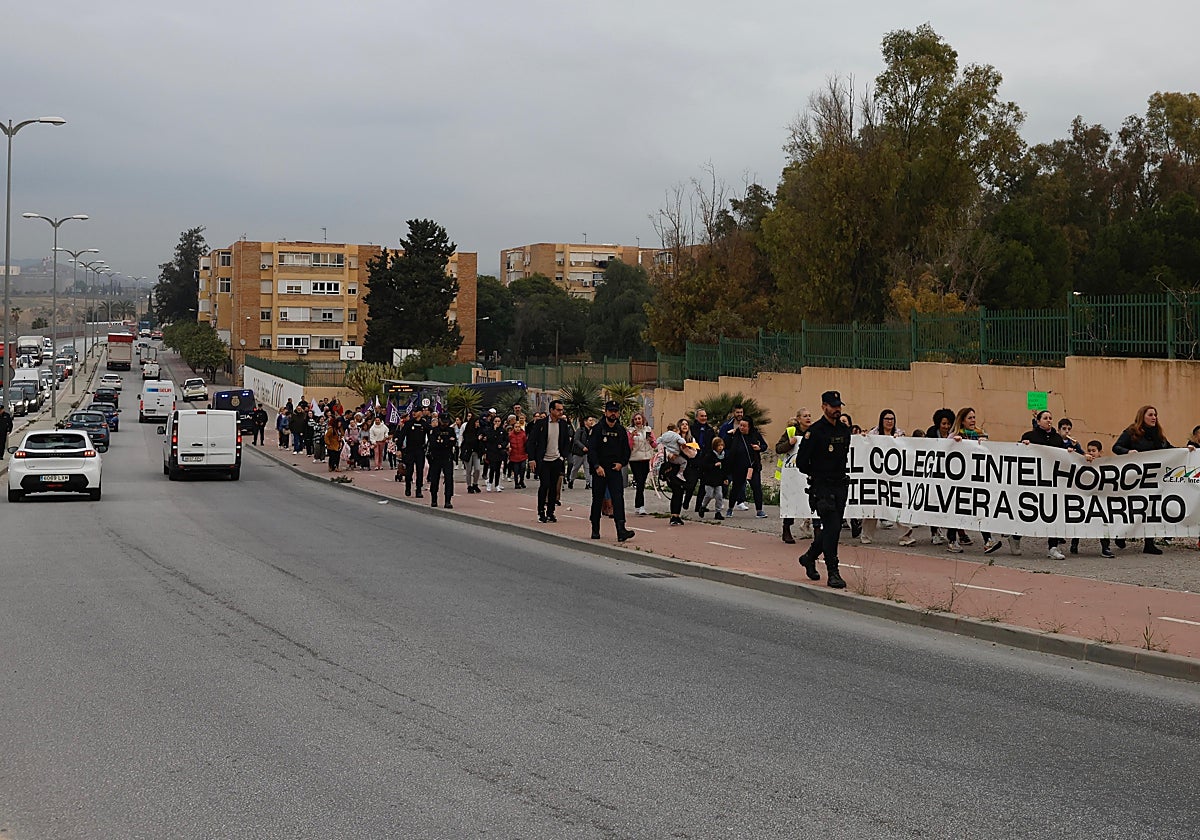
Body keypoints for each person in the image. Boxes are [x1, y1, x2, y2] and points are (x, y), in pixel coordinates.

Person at [1113, 405, 1194, 555]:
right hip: (1135, 480)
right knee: (1133, 508)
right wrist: (1128, 452)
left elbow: (1170, 450)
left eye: (1155, 415)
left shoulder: (1158, 435)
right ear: (1142, 416)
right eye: (1150, 414)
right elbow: (1116, 447)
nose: (1154, 417)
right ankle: (1122, 534)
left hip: (1153, 480)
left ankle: (1149, 543)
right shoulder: (1131, 432)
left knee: (1150, 509)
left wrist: (1185, 450)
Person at [794, 391, 852, 588]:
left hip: (840, 485)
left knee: (831, 528)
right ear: (823, 407)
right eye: (832, 406)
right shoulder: (815, 431)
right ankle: (833, 572)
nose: (836, 409)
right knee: (833, 528)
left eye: (839, 406)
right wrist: (817, 473)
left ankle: (809, 557)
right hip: (822, 486)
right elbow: (801, 462)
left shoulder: (844, 430)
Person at [949, 406, 1001, 555]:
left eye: (974, 417)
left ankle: (988, 540)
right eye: (970, 418)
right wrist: (955, 443)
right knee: (957, 510)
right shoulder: (954, 436)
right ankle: (952, 540)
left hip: (976, 480)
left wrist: (984, 444)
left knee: (980, 507)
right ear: (962, 420)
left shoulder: (981, 435)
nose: (973, 421)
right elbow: (945, 450)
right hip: (959, 481)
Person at [1020, 410, 1067, 559]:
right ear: (1038, 421)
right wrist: (1023, 446)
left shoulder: (1057, 438)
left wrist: (1070, 452)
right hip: (1033, 481)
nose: (1049, 420)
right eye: (1045, 418)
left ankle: (1053, 547)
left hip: (1052, 482)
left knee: (1053, 513)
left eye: (1051, 418)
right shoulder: (1029, 436)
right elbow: (1017, 454)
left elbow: (1063, 456)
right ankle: (1015, 538)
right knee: (1028, 513)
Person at [588, 400, 635, 541]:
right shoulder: (597, 429)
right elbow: (592, 450)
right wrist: (596, 466)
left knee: (618, 499)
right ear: (606, 412)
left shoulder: (620, 430)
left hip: (615, 469)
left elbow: (626, 450)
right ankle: (595, 529)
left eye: (615, 411)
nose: (613, 413)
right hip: (600, 470)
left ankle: (621, 530)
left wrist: (622, 463)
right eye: (611, 411)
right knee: (597, 499)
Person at [1070, 440, 1116, 558]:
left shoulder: (1105, 464)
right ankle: (1074, 544)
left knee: (1104, 522)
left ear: (1100, 452)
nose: (1091, 453)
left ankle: (1105, 547)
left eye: (1094, 451)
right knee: (1081, 520)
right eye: (1089, 450)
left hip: (1100, 498)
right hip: (1085, 497)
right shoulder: (1083, 463)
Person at [528, 399, 572, 523]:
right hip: (543, 461)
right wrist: (532, 459)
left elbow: (566, 443)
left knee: (554, 487)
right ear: (551, 410)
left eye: (562, 410)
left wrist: (562, 457)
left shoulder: (563, 425)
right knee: (545, 485)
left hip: (556, 460)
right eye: (558, 410)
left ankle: (551, 512)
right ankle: (541, 511)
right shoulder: (541, 424)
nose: (560, 412)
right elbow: (531, 442)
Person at [775, 408, 812, 544]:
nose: (808, 418)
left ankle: (817, 528)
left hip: (809, 472)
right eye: (805, 416)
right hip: (792, 474)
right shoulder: (791, 432)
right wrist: (790, 443)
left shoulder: (814, 432)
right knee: (791, 500)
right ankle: (786, 529)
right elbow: (778, 448)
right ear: (798, 419)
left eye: (809, 416)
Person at [724, 417, 768, 518]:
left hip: (753, 466)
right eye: (740, 425)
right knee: (736, 488)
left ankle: (759, 510)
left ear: (749, 427)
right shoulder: (735, 435)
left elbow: (765, 446)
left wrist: (759, 448)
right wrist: (728, 434)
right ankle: (730, 508)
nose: (742, 428)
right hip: (738, 467)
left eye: (744, 426)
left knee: (756, 488)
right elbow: (725, 445)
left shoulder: (755, 434)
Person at [627, 411, 656, 515]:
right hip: (635, 459)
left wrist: (652, 440)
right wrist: (631, 437)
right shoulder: (630, 431)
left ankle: (638, 505)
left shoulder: (648, 430)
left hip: (646, 459)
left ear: (643, 420)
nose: (638, 421)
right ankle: (640, 506)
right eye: (636, 419)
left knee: (642, 483)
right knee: (639, 482)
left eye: (639, 419)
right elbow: (628, 447)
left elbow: (654, 444)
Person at [426, 413, 457, 508]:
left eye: (447, 422)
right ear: (439, 420)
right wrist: (445, 442)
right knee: (434, 479)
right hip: (436, 458)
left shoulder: (451, 430)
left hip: (447, 457)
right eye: (443, 422)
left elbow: (453, 442)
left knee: (449, 479)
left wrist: (443, 442)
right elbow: (433, 443)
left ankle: (448, 500)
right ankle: (434, 499)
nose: (445, 424)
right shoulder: (434, 431)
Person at [400, 406, 431, 497]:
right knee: (409, 470)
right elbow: (402, 436)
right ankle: (408, 487)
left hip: (420, 450)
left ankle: (418, 490)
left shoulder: (424, 424)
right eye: (413, 411)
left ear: (421, 413)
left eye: (416, 411)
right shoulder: (409, 424)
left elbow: (431, 434)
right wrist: (399, 449)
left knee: (420, 471)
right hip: (410, 450)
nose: (414, 413)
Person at [697, 435, 730, 520]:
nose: (720, 447)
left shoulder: (723, 456)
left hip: (718, 479)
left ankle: (718, 512)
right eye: (718, 446)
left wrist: (725, 478)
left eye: (721, 445)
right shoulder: (709, 455)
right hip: (709, 479)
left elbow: (724, 469)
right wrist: (713, 465)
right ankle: (703, 506)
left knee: (719, 495)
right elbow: (704, 466)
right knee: (709, 494)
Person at [568, 416, 596, 490]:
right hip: (579, 453)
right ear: (585, 422)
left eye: (592, 420)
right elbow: (576, 440)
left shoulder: (592, 431)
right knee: (575, 468)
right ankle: (571, 480)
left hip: (588, 453)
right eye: (590, 420)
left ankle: (588, 483)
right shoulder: (580, 430)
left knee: (587, 468)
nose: (591, 422)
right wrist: (582, 447)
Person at [483, 414, 509, 491]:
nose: (497, 423)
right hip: (491, 451)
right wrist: (494, 430)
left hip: (499, 452)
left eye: (498, 421)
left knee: (498, 469)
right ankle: (490, 483)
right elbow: (489, 439)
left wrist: (502, 445)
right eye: (495, 421)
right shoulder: (489, 430)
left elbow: (506, 440)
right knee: (492, 468)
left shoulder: (502, 431)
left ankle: (497, 484)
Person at [508, 420, 528, 489]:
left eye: (519, 427)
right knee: (516, 470)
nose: (517, 428)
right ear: (514, 427)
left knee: (523, 468)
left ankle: (521, 481)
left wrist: (527, 451)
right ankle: (516, 483)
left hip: (522, 454)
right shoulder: (510, 435)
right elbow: (508, 443)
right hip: (514, 455)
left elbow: (526, 443)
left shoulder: (523, 434)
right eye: (516, 427)